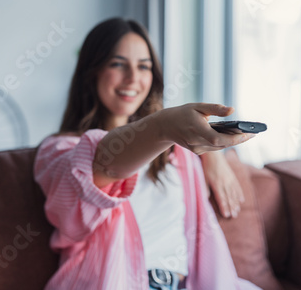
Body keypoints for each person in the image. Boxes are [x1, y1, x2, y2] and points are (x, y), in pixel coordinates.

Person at [34, 18, 262, 290]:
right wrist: (163, 126)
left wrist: (214, 155)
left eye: (144, 66)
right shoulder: (59, 150)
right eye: (118, 64)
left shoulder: (176, 152)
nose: (133, 78)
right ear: (91, 71)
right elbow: (101, 166)